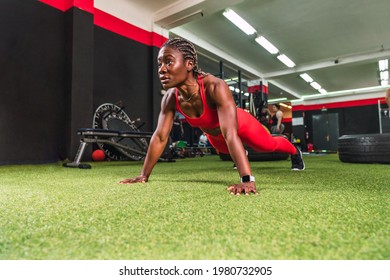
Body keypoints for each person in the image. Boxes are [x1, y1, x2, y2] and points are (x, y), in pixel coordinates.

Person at [119, 37, 305, 195]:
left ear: (189, 64)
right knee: (225, 151)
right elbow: (160, 136)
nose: (161, 69)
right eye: (160, 63)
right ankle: (242, 153)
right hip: (215, 135)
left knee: (267, 146)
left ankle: (294, 151)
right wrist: (144, 175)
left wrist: (247, 179)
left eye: (168, 62)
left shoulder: (215, 86)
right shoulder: (170, 98)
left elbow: (231, 133)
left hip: (239, 125)